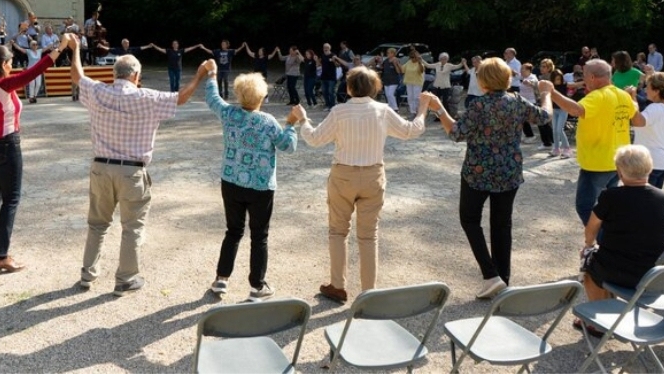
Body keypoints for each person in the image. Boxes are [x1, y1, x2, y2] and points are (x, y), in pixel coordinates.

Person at [68, 36, 208, 295]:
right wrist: (199, 75)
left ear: (115, 74)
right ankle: (126, 278)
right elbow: (182, 98)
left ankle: (87, 275)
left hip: (101, 167)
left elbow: (77, 76)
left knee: (97, 225)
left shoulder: (98, 91)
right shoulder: (148, 97)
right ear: (136, 75)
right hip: (132, 170)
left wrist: (75, 49)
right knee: (132, 227)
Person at [295, 66, 431, 303]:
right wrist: (423, 109)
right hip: (372, 175)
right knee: (368, 236)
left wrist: (304, 119)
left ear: (349, 88)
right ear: (375, 88)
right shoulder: (382, 110)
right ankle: (369, 293)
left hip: (343, 175)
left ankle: (337, 285)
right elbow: (411, 131)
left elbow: (314, 139)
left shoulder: (339, 112)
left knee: (338, 231)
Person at [429, 58, 552, 299]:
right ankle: (502, 279)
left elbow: (456, 133)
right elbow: (545, 116)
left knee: (470, 220)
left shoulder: (478, 105)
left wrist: (439, 109)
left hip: (478, 172)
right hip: (509, 171)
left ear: (482, 81)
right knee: (502, 225)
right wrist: (546, 93)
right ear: (507, 79)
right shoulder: (516, 101)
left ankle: (491, 275)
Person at [0, 38, 70, 271]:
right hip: (6, 144)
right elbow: (35, 70)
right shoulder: (2, 84)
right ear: (3, 64)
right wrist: (60, 48)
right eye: (9, 62)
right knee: (10, 200)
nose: (11, 65)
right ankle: (1, 255)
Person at [203, 65, 299, 300]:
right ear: (262, 97)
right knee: (259, 235)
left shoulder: (229, 114)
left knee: (233, 231)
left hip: (231, 181)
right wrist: (291, 124)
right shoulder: (268, 122)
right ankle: (257, 285)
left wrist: (212, 75)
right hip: (260, 186)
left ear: (238, 94)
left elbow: (212, 98)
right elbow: (288, 146)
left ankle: (221, 280)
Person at [575, 145, 664, 335]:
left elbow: (592, 227)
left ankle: (599, 322)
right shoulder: (663, 197)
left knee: (589, 264)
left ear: (619, 172)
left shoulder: (611, 196)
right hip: (653, 272)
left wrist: (588, 245)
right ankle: (610, 309)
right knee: (604, 261)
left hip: (619, 270)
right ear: (649, 169)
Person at [541, 59, 635, 225]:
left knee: (585, 206)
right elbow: (635, 116)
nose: (583, 80)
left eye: (584, 76)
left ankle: (604, 240)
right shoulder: (622, 95)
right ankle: (614, 237)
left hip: (597, 163)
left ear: (592, 77)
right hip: (618, 161)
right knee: (610, 204)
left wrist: (551, 93)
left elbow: (576, 110)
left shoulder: (597, 96)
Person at [629, 72, 664, 188]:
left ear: (656, 91)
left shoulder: (655, 108)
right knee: (653, 201)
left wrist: (632, 99)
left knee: (645, 202)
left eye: (648, 87)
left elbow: (638, 122)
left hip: (650, 163)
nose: (645, 90)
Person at [550, 68, 573, 158]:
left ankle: (567, 148)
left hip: (563, 110)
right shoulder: (551, 87)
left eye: (559, 79)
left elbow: (574, 85)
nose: (558, 81)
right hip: (554, 110)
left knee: (559, 129)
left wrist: (583, 82)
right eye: (556, 79)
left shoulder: (564, 85)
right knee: (555, 130)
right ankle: (556, 149)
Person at [399, 48, 427, 114]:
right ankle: (412, 112)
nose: (412, 58)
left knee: (416, 97)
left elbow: (421, 70)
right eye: (411, 57)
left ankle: (417, 111)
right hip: (409, 82)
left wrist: (420, 62)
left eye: (414, 57)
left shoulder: (420, 63)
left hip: (417, 82)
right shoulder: (409, 62)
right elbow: (402, 70)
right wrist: (397, 63)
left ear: (417, 57)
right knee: (410, 97)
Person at [319, 43, 338, 110]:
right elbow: (320, 64)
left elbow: (337, 64)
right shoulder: (322, 55)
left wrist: (334, 61)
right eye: (324, 47)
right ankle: (327, 105)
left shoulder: (333, 55)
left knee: (331, 92)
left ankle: (332, 105)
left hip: (331, 76)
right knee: (324, 91)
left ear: (330, 48)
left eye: (327, 47)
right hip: (324, 76)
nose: (325, 48)